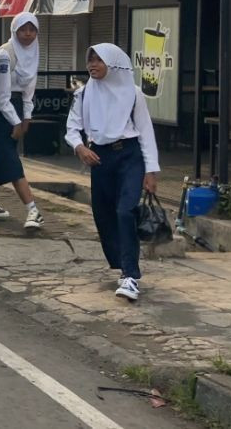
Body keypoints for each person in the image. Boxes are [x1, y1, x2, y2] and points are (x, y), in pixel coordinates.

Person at [65, 44, 160, 302]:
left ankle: (131, 275)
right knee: (104, 214)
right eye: (90, 60)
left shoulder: (133, 94)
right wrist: (80, 147)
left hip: (129, 155)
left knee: (125, 211)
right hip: (99, 159)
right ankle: (121, 266)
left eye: (99, 60)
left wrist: (151, 170)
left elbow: (145, 132)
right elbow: (72, 128)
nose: (93, 65)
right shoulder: (83, 95)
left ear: (114, 63)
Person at [0, 11, 44, 230]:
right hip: (0, 112)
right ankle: (33, 209)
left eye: (32, 30)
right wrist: (16, 121)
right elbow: (1, 96)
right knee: (9, 158)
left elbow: (29, 89)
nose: (28, 35)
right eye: (23, 29)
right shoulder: (5, 54)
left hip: (18, 108)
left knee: (1, 157)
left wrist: (27, 117)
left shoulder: (34, 51)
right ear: (14, 30)